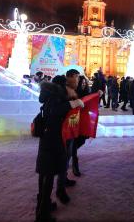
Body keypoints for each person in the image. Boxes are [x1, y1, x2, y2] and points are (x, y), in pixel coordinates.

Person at [35, 76, 84, 222]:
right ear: (62, 86)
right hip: (54, 140)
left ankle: (43, 205)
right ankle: (43, 215)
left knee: (44, 175)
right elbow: (56, 111)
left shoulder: (49, 96)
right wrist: (73, 103)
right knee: (48, 176)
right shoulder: (56, 98)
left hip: (47, 139)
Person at [56, 69, 81, 205]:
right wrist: (73, 104)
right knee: (63, 159)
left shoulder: (71, 89)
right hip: (62, 130)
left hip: (71, 128)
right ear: (70, 77)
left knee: (68, 155)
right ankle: (60, 189)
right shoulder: (62, 90)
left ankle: (64, 179)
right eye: (76, 77)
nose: (77, 80)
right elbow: (59, 108)